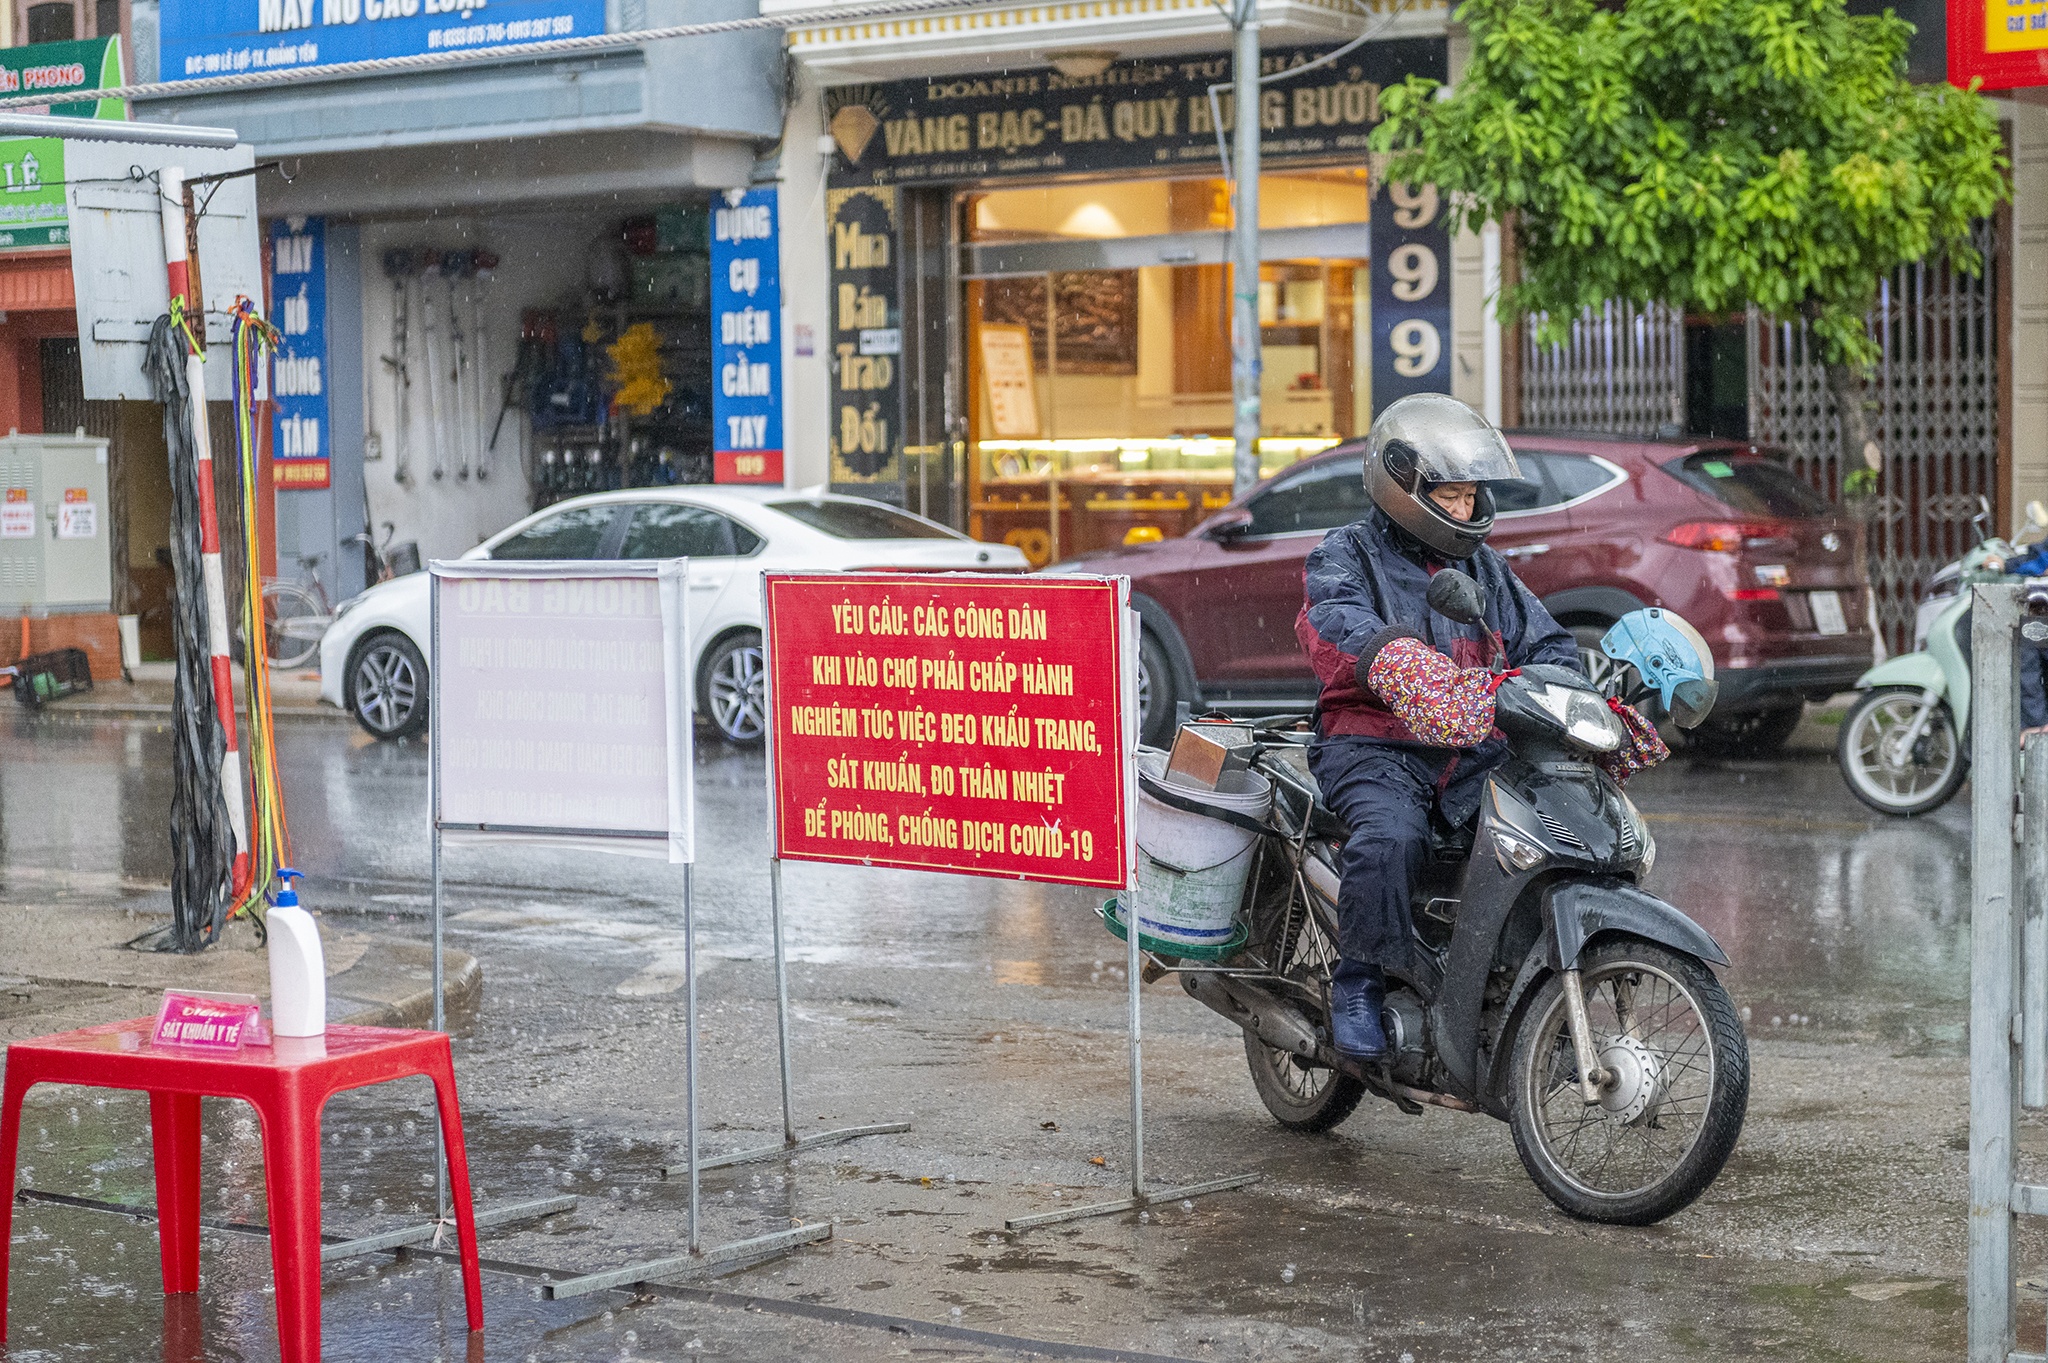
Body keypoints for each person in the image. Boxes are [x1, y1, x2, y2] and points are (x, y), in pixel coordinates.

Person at [1294, 394, 1667, 1062]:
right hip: (1376, 745)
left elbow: (1545, 644)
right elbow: (1333, 625)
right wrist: (1400, 663)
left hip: (1469, 749)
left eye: (1470, 496)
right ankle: (1358, 979)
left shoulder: (1484, 568)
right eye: (1451, 495)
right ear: (1403, 484)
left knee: (1541, 834)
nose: (1464, 510)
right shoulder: (1345, 552)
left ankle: (1499, 984)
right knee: (1391, 837)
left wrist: (1570, 693)